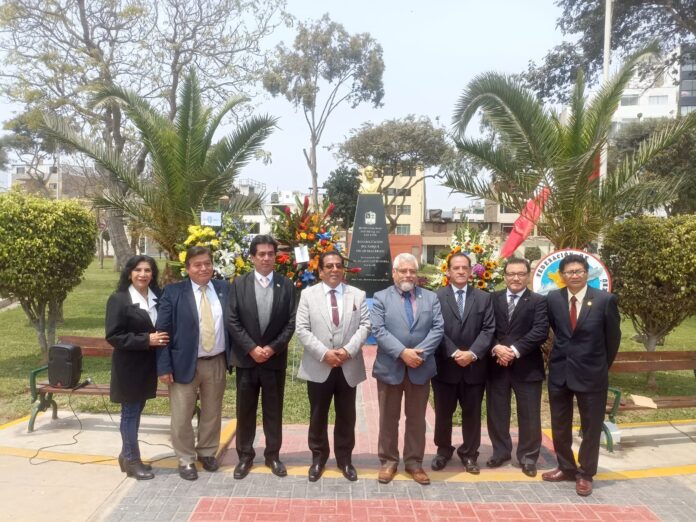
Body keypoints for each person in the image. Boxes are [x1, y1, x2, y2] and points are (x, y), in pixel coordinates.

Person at [542, 254, 621, 497]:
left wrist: (599, 365)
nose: (574, 275)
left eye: (578, 271)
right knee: (560, 424)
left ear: (587, 273)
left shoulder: (604, 300)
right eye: (568, 272)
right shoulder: (553, 299)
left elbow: (613, 340)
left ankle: (586, 473)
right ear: (562, 276)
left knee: (591, 426)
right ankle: (565, 467)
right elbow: (557, 330)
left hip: (592, 374)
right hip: (560, 373)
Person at [155, 246, 231, 481]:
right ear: (188, 268)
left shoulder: (223, 289)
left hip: (216, 361)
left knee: (212, 412)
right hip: (182, 364)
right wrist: (164, 366)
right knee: (181, 414)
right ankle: (185, 458)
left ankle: (207, 452)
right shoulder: (173, 292)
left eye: (207, 263)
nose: (203, 268)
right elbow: (162, 332)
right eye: (197, 264)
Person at [295, 251, 370, 482]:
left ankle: (344, 459)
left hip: (348, 365)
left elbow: (366, 325)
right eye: (329, 266)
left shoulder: (357, 295)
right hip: (319, 365)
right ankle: (318, 458)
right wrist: (324, 354)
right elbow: (302, 329)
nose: (335, 269)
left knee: (347, 415)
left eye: (338, 265)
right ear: (321, 271)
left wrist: (347, 351)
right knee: (318, 414)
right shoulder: (308, 295)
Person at [227, 235, 296, 479]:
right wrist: (251, 348)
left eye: (270, 254)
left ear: (276, 257)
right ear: (253, 257)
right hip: (247, 360)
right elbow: (232, 321)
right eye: (261, 254)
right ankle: (245, 456)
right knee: (245, 410)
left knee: (273, 410)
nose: (266, 258)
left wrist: (272, 348)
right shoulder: (238, 284)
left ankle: (272, 455)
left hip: (273, 361)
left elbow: (291, 323)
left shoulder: (286, 285)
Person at [371, 253, 444, 485]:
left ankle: (414, 462)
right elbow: (378, 330)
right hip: (390, 367)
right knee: (388, 418)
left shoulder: (430, 298)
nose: (408, 275)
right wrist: (403, 353)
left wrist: (418, 354)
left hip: (420, 367)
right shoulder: (381, 297)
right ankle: (388, 461)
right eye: (403, 271)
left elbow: (437, 328)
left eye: (412, 271)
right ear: (394, 273)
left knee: (416, 419)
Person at [106, 255, 169, 480]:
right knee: (130, 413)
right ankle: (133, 461)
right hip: (128, 367)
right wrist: (146, 340)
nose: (143, 274)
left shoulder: (158, 297)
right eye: (138, 270)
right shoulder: (119, 299)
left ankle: (126, 455)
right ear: (129, 273)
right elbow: (114, 336)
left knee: (136, 411)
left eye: (148, 270)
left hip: (148, 367)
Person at [431, 252, 495, 474]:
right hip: (445, 367)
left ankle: (469, 453)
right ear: (448, 271)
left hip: (474, 368)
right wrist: (455, 352)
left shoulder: (484, 298)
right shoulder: (436, 297)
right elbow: (435, 329)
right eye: (455, 268)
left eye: (464, 268)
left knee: (472, 413)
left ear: (471, 271)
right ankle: (443, 450)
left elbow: (489, 329)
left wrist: (473, 353)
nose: (460, 271)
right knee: (443, 412)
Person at [486, 257, 548, 477]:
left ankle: (528, 457)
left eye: (521, 273)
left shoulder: (538, 301)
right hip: (497, 366)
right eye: (511, 273)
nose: (515, 278)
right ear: (505, 275)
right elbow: (485, 329)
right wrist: (496, 348)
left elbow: (540, 331)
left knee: (530, 415)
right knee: (497, 413)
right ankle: (500, 452)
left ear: (528, 275)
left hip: (527, 367)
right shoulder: (492, 299)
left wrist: (512, 350)